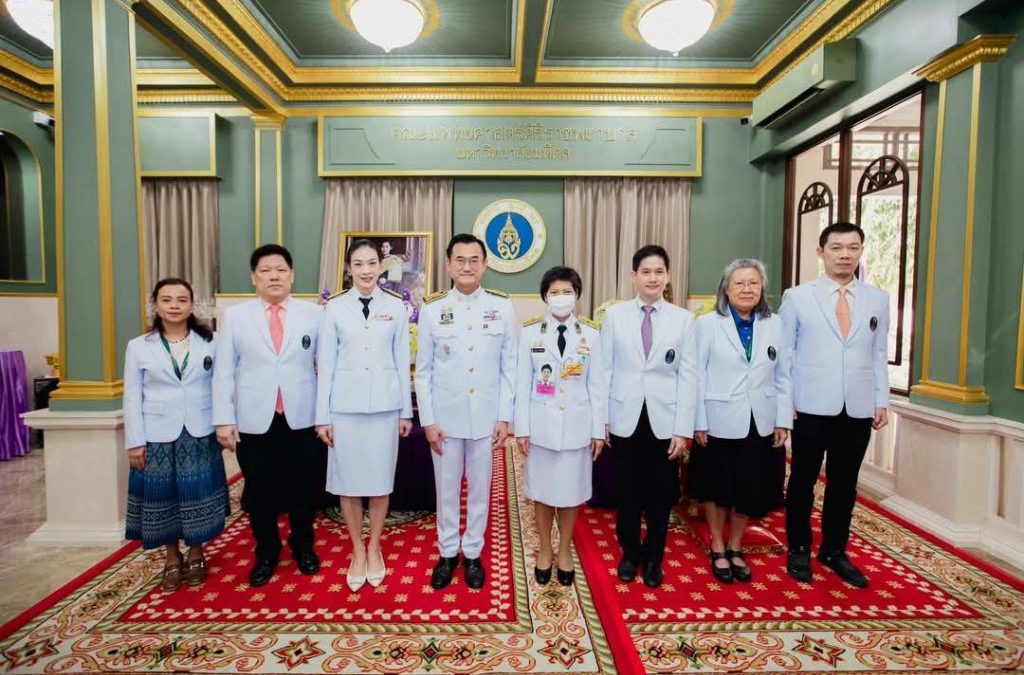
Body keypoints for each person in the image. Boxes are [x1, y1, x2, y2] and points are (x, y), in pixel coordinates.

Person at [780, 222, 890, 588]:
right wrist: (785, 402)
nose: (845, 255)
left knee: (845, 482)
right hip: (810, 405)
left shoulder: (878, 299)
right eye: (837, 248)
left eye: (853, 248)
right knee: (803, 479)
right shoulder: (798, 297)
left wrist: (880, 399)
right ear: (821, 252)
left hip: (857, 406)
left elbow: (878, 353)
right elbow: (785, 354)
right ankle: (798, 546)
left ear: (861, 252)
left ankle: (834, 549)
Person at [212, 244, 324, 588]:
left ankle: (303, 547)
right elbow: (223, 371)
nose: (273, 276)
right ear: (254, 277)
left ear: (292, 275)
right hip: (253, 419)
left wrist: (325, 417)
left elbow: (326, 368)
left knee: (304, 489)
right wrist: (224, 419)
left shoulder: (315, 314)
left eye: (280, 270)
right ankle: (266, 552)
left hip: (302, 417)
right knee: (260, 492)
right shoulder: (235, 317)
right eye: (265, 270)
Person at [415, 233, 516, 590]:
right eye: (460, 260)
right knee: (445, 491)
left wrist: (504, 417)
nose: (467, 266)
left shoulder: (502, 307)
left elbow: (509, 369)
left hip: (486, 419)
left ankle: (472, 552)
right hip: (445, 420)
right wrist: (428, 421)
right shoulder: (432, 309)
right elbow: (423, 371)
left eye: (475, 260)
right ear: (448, 265)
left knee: (479, 490)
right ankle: (446, 553)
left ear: (485, 265)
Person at [315, 239, 413, 592]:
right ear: (349, 269)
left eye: (372, 263)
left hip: (385, 407)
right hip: (345, 409)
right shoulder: (334, 308)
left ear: (380, 266)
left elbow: (402, 359)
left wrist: (405, 411)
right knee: (349, 483)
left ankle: (375, 548)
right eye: (359, 264)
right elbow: (326, 364)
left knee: (380, 481)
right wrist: (322, 417)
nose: (367, 270)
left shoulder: (396, 306)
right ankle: (357, 549)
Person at [690, 259, 792, 584]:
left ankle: (735, 544)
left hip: (759, 419)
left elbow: (783, 375)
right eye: (740, 283)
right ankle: (717, 545)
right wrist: (698, 421)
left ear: (762, 288)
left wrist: (782, 420)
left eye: (753, 283)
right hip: (717, 418)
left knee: (749, 486)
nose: (747, 289)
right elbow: (696, 375)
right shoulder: (707, 324)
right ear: (726, 288)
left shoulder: (775, 324)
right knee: (716, 484)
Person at [124, 277, 228, 591]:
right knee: (163, 497)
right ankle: (171, 556)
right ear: (155, 305)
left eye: (182, 300)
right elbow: (132, 396)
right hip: (156, 434)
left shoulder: (211, 341)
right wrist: (135, 441)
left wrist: (223, 424)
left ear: (191, 305)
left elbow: (222, 386)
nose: (174, 306)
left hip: (199, 431)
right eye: (167, 300)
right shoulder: (139, 346)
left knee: (198, 494)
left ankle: (196, 552)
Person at [601, 244, 696, 588]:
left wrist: (683, 429)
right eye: (646, 272)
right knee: (627, 491)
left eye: (659, 272)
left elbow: (689, 377)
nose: (652, 278)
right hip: (623, 416)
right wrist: (602, 420)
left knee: (660, 494)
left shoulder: (683, 320)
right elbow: (604, 370)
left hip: (665, 420)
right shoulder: (615, 316)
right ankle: (629, 553)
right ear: (634, 276)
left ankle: (655, 557)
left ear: (668, 276)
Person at [515, 266, 607, 586]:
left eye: (566, 291)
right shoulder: (531, 332)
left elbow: (597, 386)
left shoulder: (591, 334)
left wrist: (598, 431)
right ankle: (545, 548)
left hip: (577, 427)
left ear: (577, 295)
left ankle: (564, 549)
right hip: (541, 426)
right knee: (542, 492)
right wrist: (522, 429)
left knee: (570, 493)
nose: (561, 297)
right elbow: (522, 384)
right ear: (545, 296)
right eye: (554, 292)